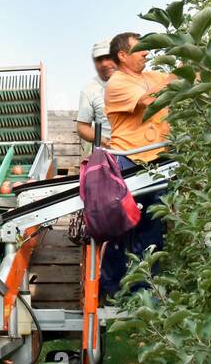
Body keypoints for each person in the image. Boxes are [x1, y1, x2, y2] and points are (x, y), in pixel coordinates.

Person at [83, 31, 176, 299]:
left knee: (152, 228)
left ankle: (143, 291)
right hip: (131, 162)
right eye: (141, 49)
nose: (147, 53)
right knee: (124, 228)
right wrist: (170, 81)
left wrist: (185, 60)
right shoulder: (118, 83)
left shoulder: (150, 77)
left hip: (157, 162)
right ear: (122, 56)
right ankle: (114, 288)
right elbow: (150, 100)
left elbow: (177, 81)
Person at [74, 38, 116, 146]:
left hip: (141, 150)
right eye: (99, 59)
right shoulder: (89, 90)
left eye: (108, 57)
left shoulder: (134, 80)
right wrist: (104, 141)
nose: (104, 63)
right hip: (111, 154)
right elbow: (82, 127)